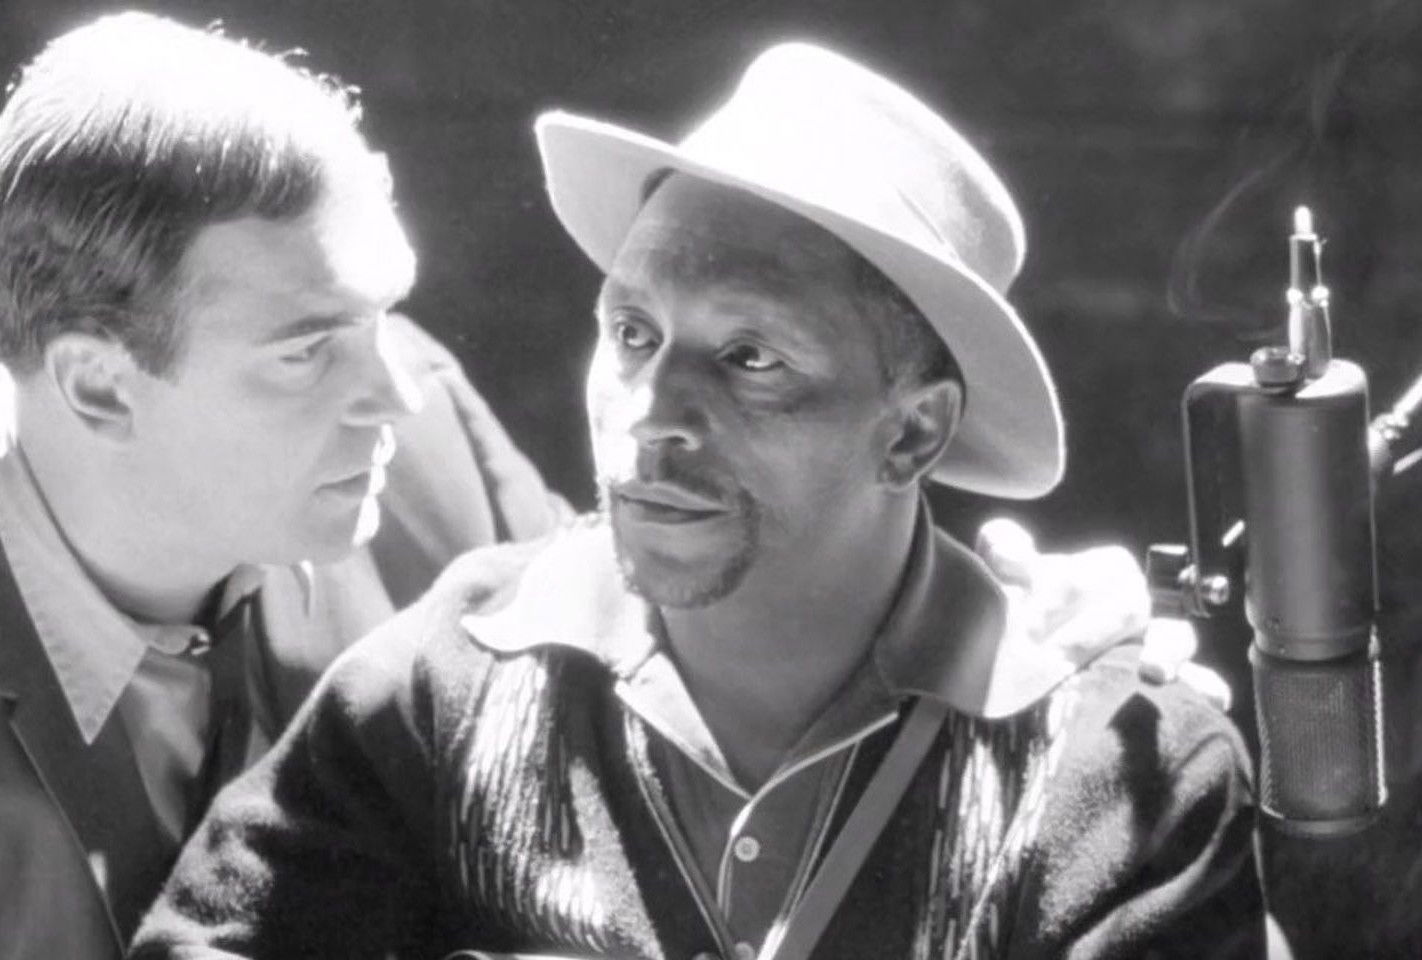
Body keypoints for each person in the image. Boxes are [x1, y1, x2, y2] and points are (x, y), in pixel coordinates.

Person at [131, 42, 1263, 960]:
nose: (649, 411)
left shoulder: (1126, 773)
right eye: (631, 333)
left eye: (751, 358)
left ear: (912, 432)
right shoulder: (451, 678)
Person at [0, 13, 558, 960]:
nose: (398, 393)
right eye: (308, 350)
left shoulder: (432, 444)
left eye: (382, 316)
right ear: (98, 386)